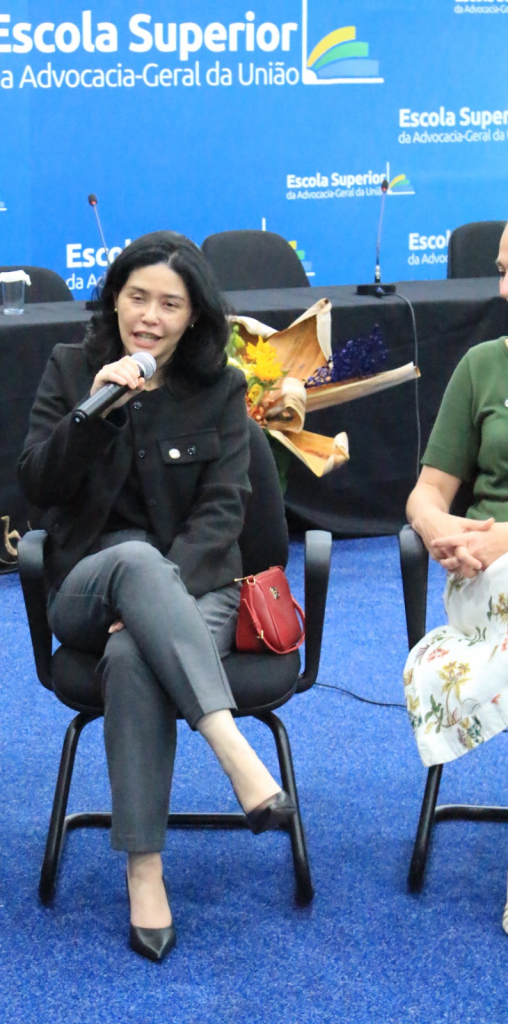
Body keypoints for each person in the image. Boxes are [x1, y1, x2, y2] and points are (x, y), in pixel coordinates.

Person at [18, 231, 294, 962]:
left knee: (134, 653)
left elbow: (223, 513)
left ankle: (145, 872)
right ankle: (232, 748)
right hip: (86, 588)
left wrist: (153, 598)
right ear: (114, 299)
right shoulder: (71, 368)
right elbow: (37, 484)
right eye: (137, 297)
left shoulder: (221, 387)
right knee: (133, 562)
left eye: (170, 303)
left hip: (197, 588)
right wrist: (94, 409)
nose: (150, 315)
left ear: (194, 315)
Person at [404, 219, 508, 931]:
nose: (503, 290)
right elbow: (426, 493)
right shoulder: (482, 366)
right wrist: (439, 530)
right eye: (501, 270)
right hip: (485, 583)